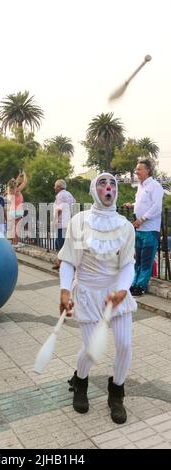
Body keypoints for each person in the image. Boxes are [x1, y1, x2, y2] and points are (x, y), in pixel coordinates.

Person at [58, 173, 137, 424]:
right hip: (88, 292)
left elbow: (128, 265)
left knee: (124, 344)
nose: (108, 187)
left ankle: (116, 395)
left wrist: (123, 289)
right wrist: (64, 290)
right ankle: (80, 382)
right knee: (91, 351)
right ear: (94, 190)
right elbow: (68, 260)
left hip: (116, 293)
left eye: (112, 183)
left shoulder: (125, 226)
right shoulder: (79, 221)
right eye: (102, 183)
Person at [124, 159, 164, 296]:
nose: (136, 172)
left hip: (150, 230)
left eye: (139, 169)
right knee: (138, 259)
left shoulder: (155, 186)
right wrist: (133, 205)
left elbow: (157, 207)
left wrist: (143, 219)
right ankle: (134, 283)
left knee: (146, 259)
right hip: (139, 229)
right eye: (136, 169)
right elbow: (142, 203)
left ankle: (140, 286)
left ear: (148, 170)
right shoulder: (141, 186)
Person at [52, 179, 75, 270]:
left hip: (62, 224)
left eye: (55, 186)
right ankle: (59, 262)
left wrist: (54, 221)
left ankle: (63, 266)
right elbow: (73, 204)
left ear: (58, 187)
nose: (54, 188)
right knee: (63, 244)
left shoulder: (60, 195)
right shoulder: (69, 194)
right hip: (69, 222)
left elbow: (59, 210)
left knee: (60, 244)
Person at [6, 171, 27, 247]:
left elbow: (15, 183)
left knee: (14, 227)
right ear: (15, 185)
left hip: (12, 210)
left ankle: (13, 242)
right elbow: (24, 182)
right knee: (17, 227)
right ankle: (15, 243)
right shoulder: (17, 191)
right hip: (18, 211)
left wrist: (18, 176)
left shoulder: (9, 191)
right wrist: (24, 174)